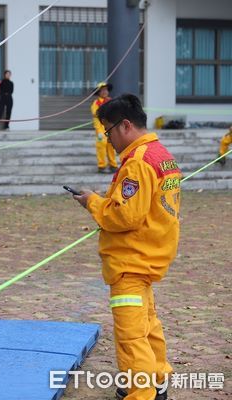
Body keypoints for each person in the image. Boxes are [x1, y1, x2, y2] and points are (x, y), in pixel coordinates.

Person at [72, 94, 178, 400]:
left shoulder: (138, 163)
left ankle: (141, 392)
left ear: (126, 126)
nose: (108, 139)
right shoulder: (161, 154)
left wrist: (92, 201)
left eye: (108, 132)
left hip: (131, 261)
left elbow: (124, 215)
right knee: (148, 326)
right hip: (149, 257)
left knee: (131, 337)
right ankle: (157, 380)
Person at [91, 82, 118, 173]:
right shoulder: (96, 103)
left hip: (110, 127)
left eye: (106, 90)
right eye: (102, 90)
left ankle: (113, 165)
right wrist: (98, 131)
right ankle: (101, 166)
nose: (104, 92)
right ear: (99, 92)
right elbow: (96, 118)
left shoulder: (111, 101)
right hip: (101, 128)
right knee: (101, 145)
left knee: (111, 145)